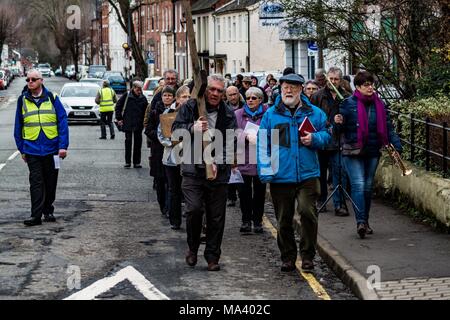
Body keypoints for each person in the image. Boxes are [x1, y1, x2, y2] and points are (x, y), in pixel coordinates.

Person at [257, 73, 331, 272]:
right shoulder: (271, 115)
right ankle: (288, 257)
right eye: (285, 87)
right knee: (284, 219)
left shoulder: (314, 113)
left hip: (308, 173)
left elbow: (327, 135)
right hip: (280, 175)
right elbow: (264, 145)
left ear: (301, 90)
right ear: (280, 90)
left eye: (292, 87)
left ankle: (308, 256)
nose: (288, 91)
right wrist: (265, 172)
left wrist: (315, 139)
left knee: (308, 212)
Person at [172, 74, 237, 272]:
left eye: (219, 90)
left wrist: (217, 162)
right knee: (194, 210)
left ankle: (212, 256)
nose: (215, 93)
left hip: (218, 173)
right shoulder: (190, 107)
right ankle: (192, 247)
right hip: (192, 169)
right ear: (204, 90)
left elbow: (230, 141)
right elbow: (175, 132)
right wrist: (192, 127)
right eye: (212, 89)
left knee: (216, 217)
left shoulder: (228, 113)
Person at [334, 71, 402, 239]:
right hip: (353, 150)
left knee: (368, 187)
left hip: (372, 150)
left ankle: (365, 220)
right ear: (357, 87)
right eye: (366, 84)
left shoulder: (380, 105)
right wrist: (337, 123)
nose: (370, 87)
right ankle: (361, 222)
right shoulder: (347, 104)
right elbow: (338, 131)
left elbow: (388, 128)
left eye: (372, 84)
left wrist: (396, 146)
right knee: (358, 184)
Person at [14, 70, 69, 226]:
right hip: (31, 149)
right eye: (28, 79)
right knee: (36, 182)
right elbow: (18, 125)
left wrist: (63, 146)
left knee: (50, 181)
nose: (30, 81)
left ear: (41, 81)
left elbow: (62, 122)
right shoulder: (22, 100)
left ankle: (48, 209)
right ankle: (35, 215)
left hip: (52, 148)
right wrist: (21, 148)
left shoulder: (53, 98)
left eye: (33, 79)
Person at [311, 67, 352, 216]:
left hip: (339, 140)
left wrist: (344, 120)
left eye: (336, 79)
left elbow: (352, 117)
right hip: (322, 140)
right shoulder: (317, 96)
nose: (333, 82)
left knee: (339, 172)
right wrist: (330, 121)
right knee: (320, 173)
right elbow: (313, 119)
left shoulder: (346, 96)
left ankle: (339, 204)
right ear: (327, 79)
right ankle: (321, 200)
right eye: (331, 79)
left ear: (340, 80)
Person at [235, 87, 268, 233]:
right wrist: (245, 136)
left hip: (261, 158)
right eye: (248, 97)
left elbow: (273, 133)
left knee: (260, 193)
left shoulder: (268, 114)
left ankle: (258, 221)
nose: (250, 100)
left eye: (254, 98)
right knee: (244, 192)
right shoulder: (238, 114)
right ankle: (246, 220)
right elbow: (232, 133)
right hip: (244, 157)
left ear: (260, 100)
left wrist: (259, 136)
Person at [157, 85, 191, 229]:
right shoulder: (168, 113)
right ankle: (175, 220)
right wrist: (174, 142)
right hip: (172, 158)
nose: (187, 99)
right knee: (174, 190)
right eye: (184, 97)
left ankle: (191, 219)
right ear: (177, 99)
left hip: (190, 157)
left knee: (189, 190)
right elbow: (161, 134)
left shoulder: (194, 113)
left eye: (189, 97)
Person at [115, 80, 148, 168]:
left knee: (138, 143)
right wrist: (119, 118)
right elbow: (118, 106)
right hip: (128, 122)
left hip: (138, 124)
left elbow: (147, 111)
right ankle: (128, 162)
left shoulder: (143, 98)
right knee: (128, 142)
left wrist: (146, 121)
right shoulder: (126, 96)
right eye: (138, 90)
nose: (139, 92)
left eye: (141, 90)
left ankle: (137, 162)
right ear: (133, 88)